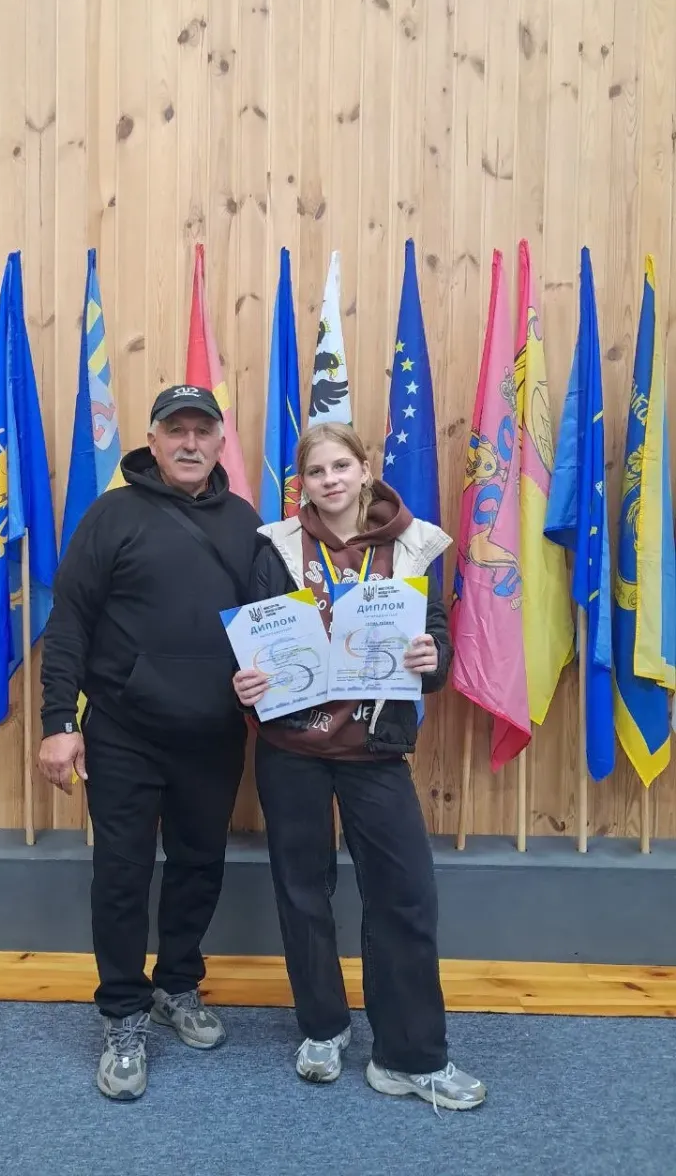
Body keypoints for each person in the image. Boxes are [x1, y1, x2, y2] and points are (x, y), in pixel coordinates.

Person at [233, 422, 486, 1112]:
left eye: (341, 466)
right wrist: (246, 681)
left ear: (365, 468)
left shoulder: (413, 544)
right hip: (292, 749)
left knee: (405, 895)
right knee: (302, 891)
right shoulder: (276, 546)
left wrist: (431, 659)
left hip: (375, 751)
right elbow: (255, 642)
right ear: (303, 484)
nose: (331, 481)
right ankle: (322, 1027)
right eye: (317, 472)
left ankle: (409, 1056)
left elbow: (435, 639)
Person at [38, 384, 262, 1101]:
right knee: (122, 875)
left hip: (213, 734)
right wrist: (58, 723)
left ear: (220, 442)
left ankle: (177, 986)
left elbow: (270, 625)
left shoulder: (246, 523)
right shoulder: (111, 515)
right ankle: (123, 1016)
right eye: (176, 430)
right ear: (154, 440)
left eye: (203, 431)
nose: (190, 443)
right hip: (124, 734)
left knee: (200, 865)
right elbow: (69, 622)